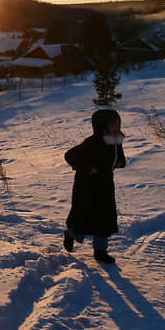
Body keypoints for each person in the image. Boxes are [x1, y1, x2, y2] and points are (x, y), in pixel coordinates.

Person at [62, 109, 126, 264]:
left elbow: (120, 159)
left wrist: (119, 163)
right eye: (113, 124)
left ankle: (100, 251)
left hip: (105, 185)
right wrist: (87, 168)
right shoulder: (92, 143)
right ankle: (71, 234)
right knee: (84, 217)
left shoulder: (115, 141)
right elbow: (70, 156)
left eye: (118, 124)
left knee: (105, 219)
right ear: (102, 126)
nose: (116, 127)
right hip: (87, 188)